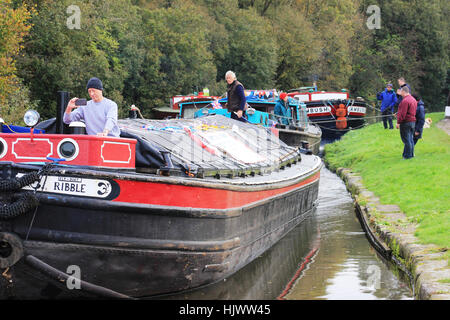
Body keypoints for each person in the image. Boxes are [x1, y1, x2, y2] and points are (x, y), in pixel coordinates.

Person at [396, 86, 417, 159]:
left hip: (406, 123)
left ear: (404, 92)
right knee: (410, 139)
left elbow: (403, 114)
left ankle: (408, 156)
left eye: (401, 91)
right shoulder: (413, 99)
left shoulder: (405, 101)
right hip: (412, 122)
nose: (400, 93)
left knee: (406, 140)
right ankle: (410, 154)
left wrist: (398, 122)